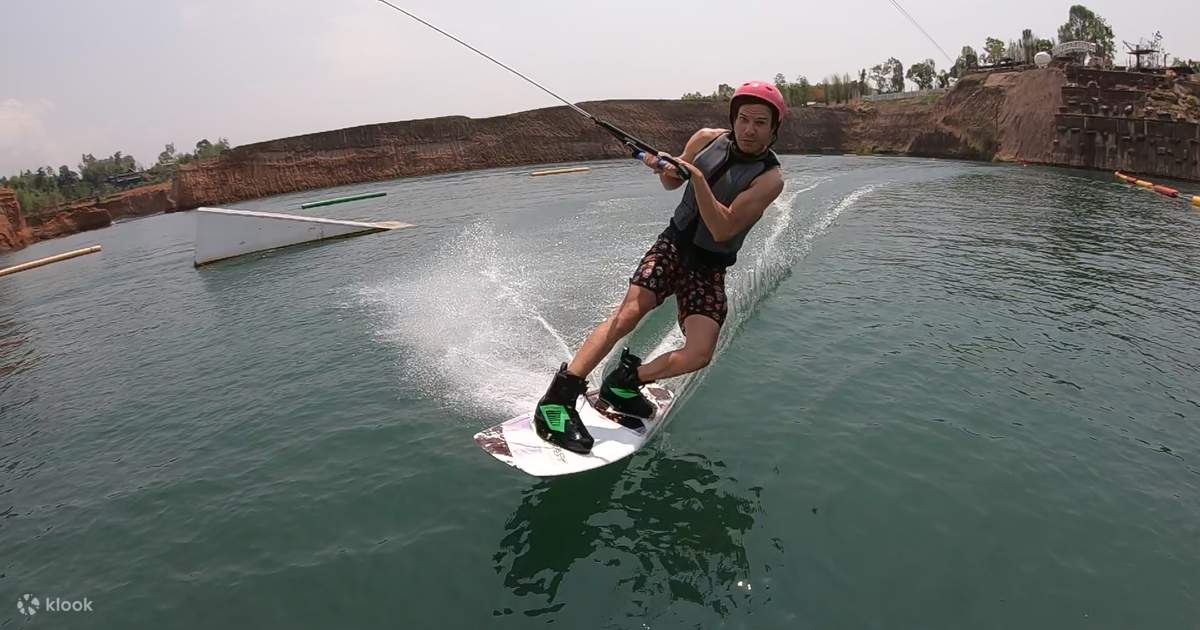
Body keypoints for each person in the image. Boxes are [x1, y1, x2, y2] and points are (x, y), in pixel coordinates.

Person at [533, 81, 788, 454]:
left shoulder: (770, 179)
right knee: (627, 314)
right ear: (733, 119)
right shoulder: (705, 138)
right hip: (673, 246)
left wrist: (697, 177)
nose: (749, 130)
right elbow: (672, 182)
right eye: (743, 120)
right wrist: (661, 166)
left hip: (709, 267)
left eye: (760, 123)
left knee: (699, 353)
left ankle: (624, 381)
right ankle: (558, 400)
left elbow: (721, 227)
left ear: (774, 129)